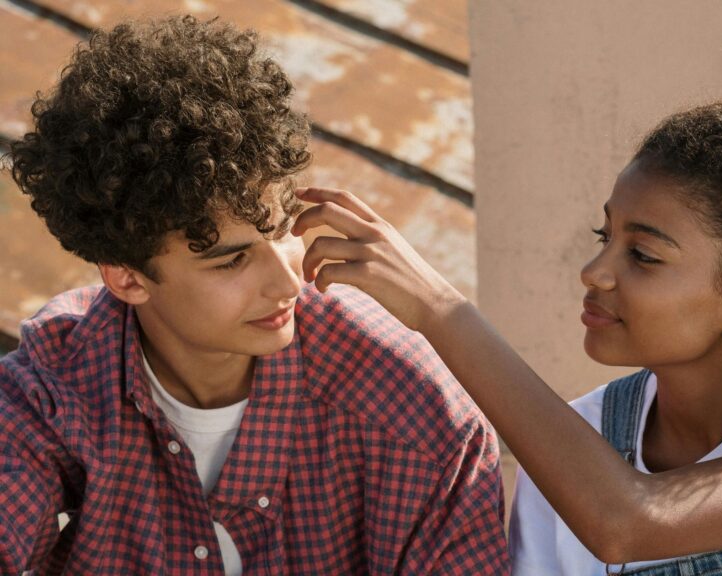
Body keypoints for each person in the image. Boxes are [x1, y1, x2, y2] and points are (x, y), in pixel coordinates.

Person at [291, 37, 722, 575]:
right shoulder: (577, 445)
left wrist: (441, 310)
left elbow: (628, 523)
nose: (594, 273)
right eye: (603, 237)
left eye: (643, 256)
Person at [0, 16, 509, 575]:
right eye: (233, 260)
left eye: (285, 228)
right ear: (127, 278)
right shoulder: (56, 381)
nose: (290, 282)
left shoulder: (414, 411)